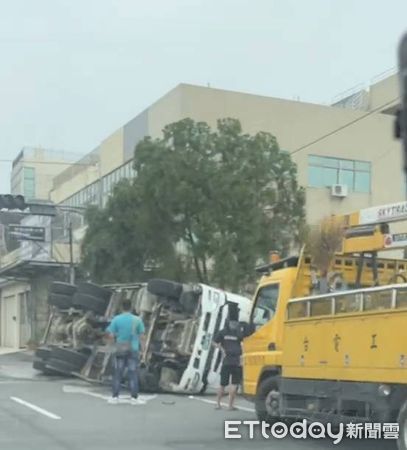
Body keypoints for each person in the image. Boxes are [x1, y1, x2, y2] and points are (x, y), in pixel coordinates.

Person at [106, 299, 146, 405]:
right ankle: (134, 397)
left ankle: (115, 397)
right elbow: (142, 337)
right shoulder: (137, 320)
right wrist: (143, 350)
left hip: (120, 349)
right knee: (133, 373)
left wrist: (112, 346)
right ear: (131, 307)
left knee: (118, 373)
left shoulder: (116, 319)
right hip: (133, 349)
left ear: (121, 307)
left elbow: (110, 335)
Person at [213, 316, 244, 411]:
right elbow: (214, 342)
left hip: (235, 361)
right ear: (229, 322)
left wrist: (242, 359)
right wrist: (221, 349)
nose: (234, 324)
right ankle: (221, 404)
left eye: (235, 323)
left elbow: (244, 344)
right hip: (230, 361)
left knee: (232, 384)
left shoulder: (237, 333)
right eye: (233, 323)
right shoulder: (224, 332)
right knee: (224, 384)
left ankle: (226, 405)